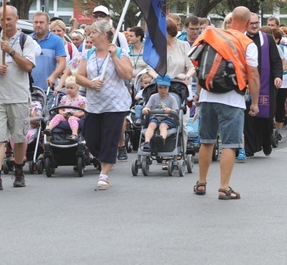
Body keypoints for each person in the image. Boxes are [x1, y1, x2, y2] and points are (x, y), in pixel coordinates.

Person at [192, 6, 259, 201]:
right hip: (232, 98)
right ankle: (224, 187)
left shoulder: (212, 36)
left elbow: (198, 66)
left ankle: (201, 182)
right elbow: (253, 75)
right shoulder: (248, 43)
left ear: (230, 21)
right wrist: (254, 102)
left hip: (207, 96)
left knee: (206, 141)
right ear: (247, 24)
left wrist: (198, 93)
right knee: (230, 144)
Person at [0, 5, 38, 191]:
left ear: (16, 19)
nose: (5, 22)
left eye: (9, 19)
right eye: (2, 19)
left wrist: (12, 51)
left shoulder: (26, 40)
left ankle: (19, 170)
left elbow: (28, 66)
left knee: (19, 137)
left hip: (19, 96)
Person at [76, 19, 134, 191]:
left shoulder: (121, 52)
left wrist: (114, 56)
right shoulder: (88, 54)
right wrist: (90, 83)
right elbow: (78, 76)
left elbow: (127, 75)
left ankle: (104, 173)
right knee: (91, 137)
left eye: (92, 33)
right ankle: (105, 161)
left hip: (115, 104)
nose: (90, 36)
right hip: (94, 104)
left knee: (110, 138)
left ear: (103, 34)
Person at [242, 13, 282, 158]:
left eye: (256, 22)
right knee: (248, 117)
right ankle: (250, 147)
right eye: (251, 23)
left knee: (265, 116)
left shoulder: (268, 39)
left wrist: (278, 76)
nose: (254, 25)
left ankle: (266, 140)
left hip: (265, 83)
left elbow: (276, 61)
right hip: (246, 84)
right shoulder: (240, 38)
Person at [140, 75, 179, 151]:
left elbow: (176, 111)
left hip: (167, 118)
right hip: (155, 117)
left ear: (168, 88)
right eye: (160, 87)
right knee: (151, 125)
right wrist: (146, 109)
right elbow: (147, 106)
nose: (163, 90)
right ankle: (147, 142)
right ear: (157, 87)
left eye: (165, 88)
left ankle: (161, 139)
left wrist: (170, 111)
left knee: (163, 126)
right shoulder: (153, 97)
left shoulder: (172, 99)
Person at [30, 11, 67, 91]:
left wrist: (53, 76)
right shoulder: (27, 40)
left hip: (48, 89)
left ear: (48, 24)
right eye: (36, 22)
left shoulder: (56, 40)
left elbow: (62, 63)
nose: (38, 25)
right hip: (28, 88)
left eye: (41, 22)